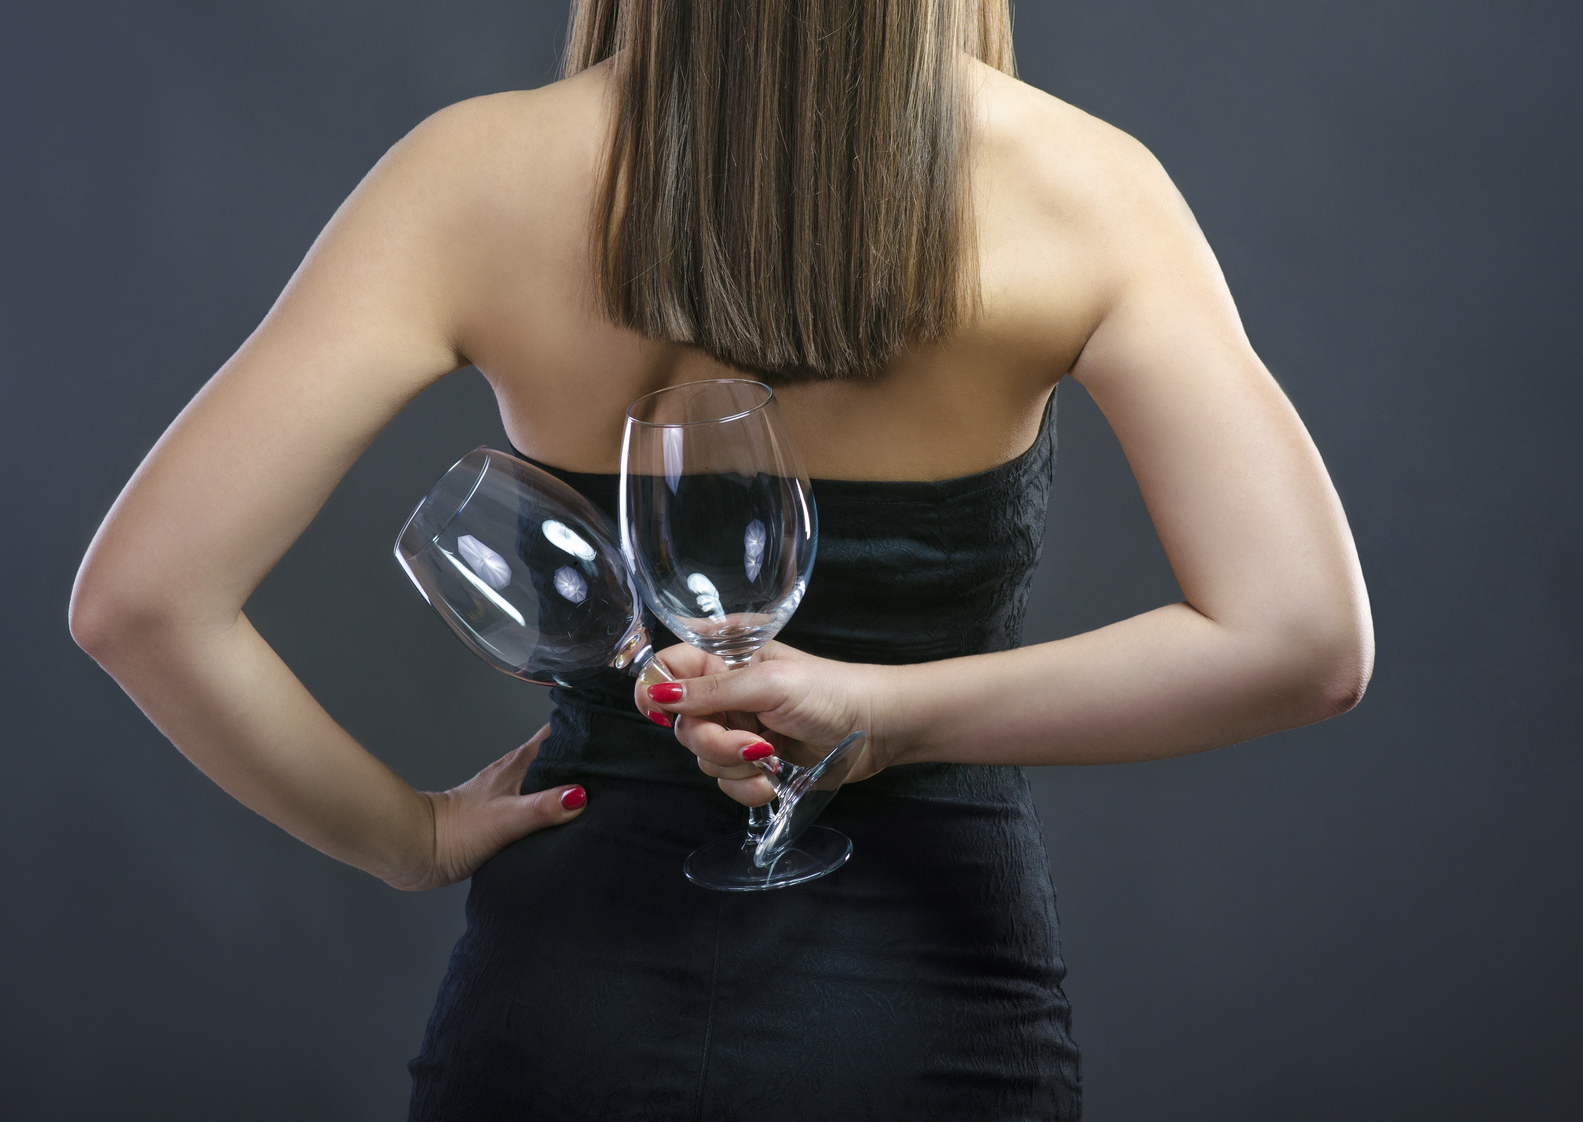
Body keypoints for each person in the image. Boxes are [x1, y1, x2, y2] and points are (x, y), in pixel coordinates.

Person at [70, 1, 1373, 1117]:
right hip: (921, 1005)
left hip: (563, 1005)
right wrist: (883, 713)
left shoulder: (472, 175)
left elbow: (141, 603)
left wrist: (406, 836)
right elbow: (1302, 638)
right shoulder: (1080, 188)